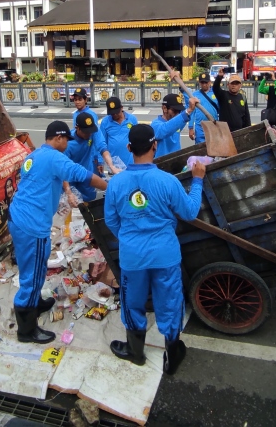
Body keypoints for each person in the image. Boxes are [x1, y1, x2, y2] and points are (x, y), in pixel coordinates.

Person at [104, 124, 206, 375]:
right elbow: (191, 211)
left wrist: (130, 239)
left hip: (132, 257)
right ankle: (172, 354)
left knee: (133, 302)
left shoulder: (116, 183)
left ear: (129, 148)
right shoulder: (167, 181)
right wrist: (198, 181)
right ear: (155, 145)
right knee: (170, 302)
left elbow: (111, 220)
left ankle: (135, 352)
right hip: (165, 254)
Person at [8, 121, 107, 344]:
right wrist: (111, 188)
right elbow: (83, 175)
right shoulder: (54, 157)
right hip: (30, 225)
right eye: (66, 140)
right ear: (59, 138)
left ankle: (34, 302)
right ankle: (26, 329)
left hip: (21, 217)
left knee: (38, 265)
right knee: (31, 276)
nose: (67, 145)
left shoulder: (35, 155)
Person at [64, 112, 121, 202]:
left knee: (90, 203)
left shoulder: (93, 131)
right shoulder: (68, 144)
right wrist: (68, 192)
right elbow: (63, 170)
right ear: (77, 128)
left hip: (86, 175)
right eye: (86, 132)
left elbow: (102, 148)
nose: (89, 134)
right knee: (73, 204)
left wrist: (112, 166)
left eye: (90, 131)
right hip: (70, 179)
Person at [151, 75, 198, 158]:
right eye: (174, 110)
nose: (178, 114)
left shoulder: (178, 122)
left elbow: (189, 104)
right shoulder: (156, 125)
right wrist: (188, 110)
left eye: (179, 111)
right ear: (164, 108)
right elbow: (165, 130)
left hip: (176, 163)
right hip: (161, 165)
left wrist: (181, 83)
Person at [99, 96, 138, 166]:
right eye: (112, 113)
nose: (114, 115)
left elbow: (137, 140)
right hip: (114, 164)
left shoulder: (132, 119)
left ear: (121, 107)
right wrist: (100, 161)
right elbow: (102, 143)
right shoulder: (105, 122)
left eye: (116, 112)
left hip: (131, 162)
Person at [71, 87, 104, 168]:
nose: (77, 102)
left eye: (80, 99)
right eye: (75, 99)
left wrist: (98, 158)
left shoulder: (91, 115)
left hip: (91, 155)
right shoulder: (75, 114)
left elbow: (96, 136)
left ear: (85, 100)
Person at [182, 72, 219, 143]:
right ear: (199, 83)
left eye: (206, 82)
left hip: (213, 126)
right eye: (202, 82)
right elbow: (192, 112)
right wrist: (190, 128)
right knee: (200, 151)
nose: (204, 84)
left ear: (210, 82)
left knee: (214, 149)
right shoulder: (195, 95)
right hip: (200, 128)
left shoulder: (216, 93)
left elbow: (221, 110)